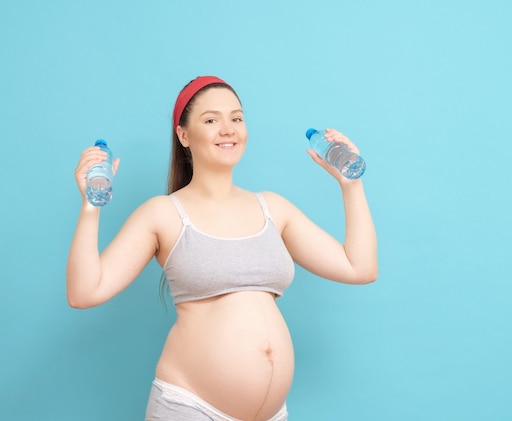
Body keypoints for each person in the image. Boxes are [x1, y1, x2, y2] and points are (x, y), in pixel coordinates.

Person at [66, 75, 378, 421]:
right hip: (190, 408)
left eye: (237, 118)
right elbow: (84, 293)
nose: (228, 129)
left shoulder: (274, 208)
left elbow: (359, 268)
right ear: (183, 135)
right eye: (211, 120)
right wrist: (90, 207)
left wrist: (352, 186)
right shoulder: (163, 214)